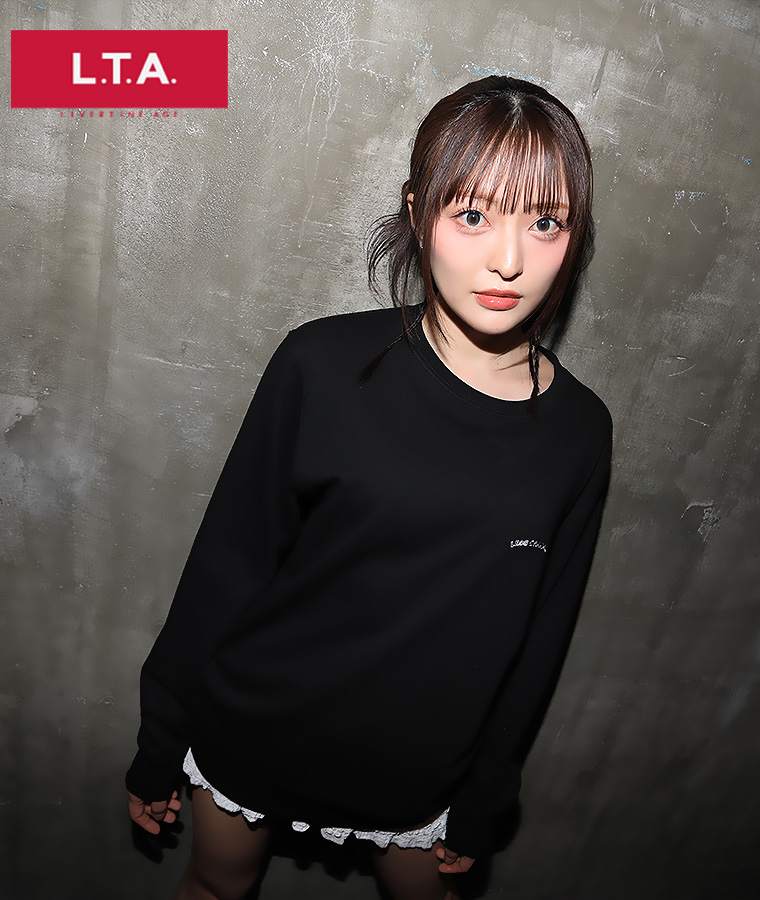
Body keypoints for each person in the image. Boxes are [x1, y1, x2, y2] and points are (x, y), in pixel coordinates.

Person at [126, 75, 612, 900]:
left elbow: (540, 640)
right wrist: (160, 738)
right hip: (256, 729)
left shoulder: (579, 432)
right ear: (418, 213)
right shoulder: (320, 365)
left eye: (545, 222)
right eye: (472, 215)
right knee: (214, 885)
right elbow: (227, 567)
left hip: (416, 773)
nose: (509, 259)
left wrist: (485, 800)